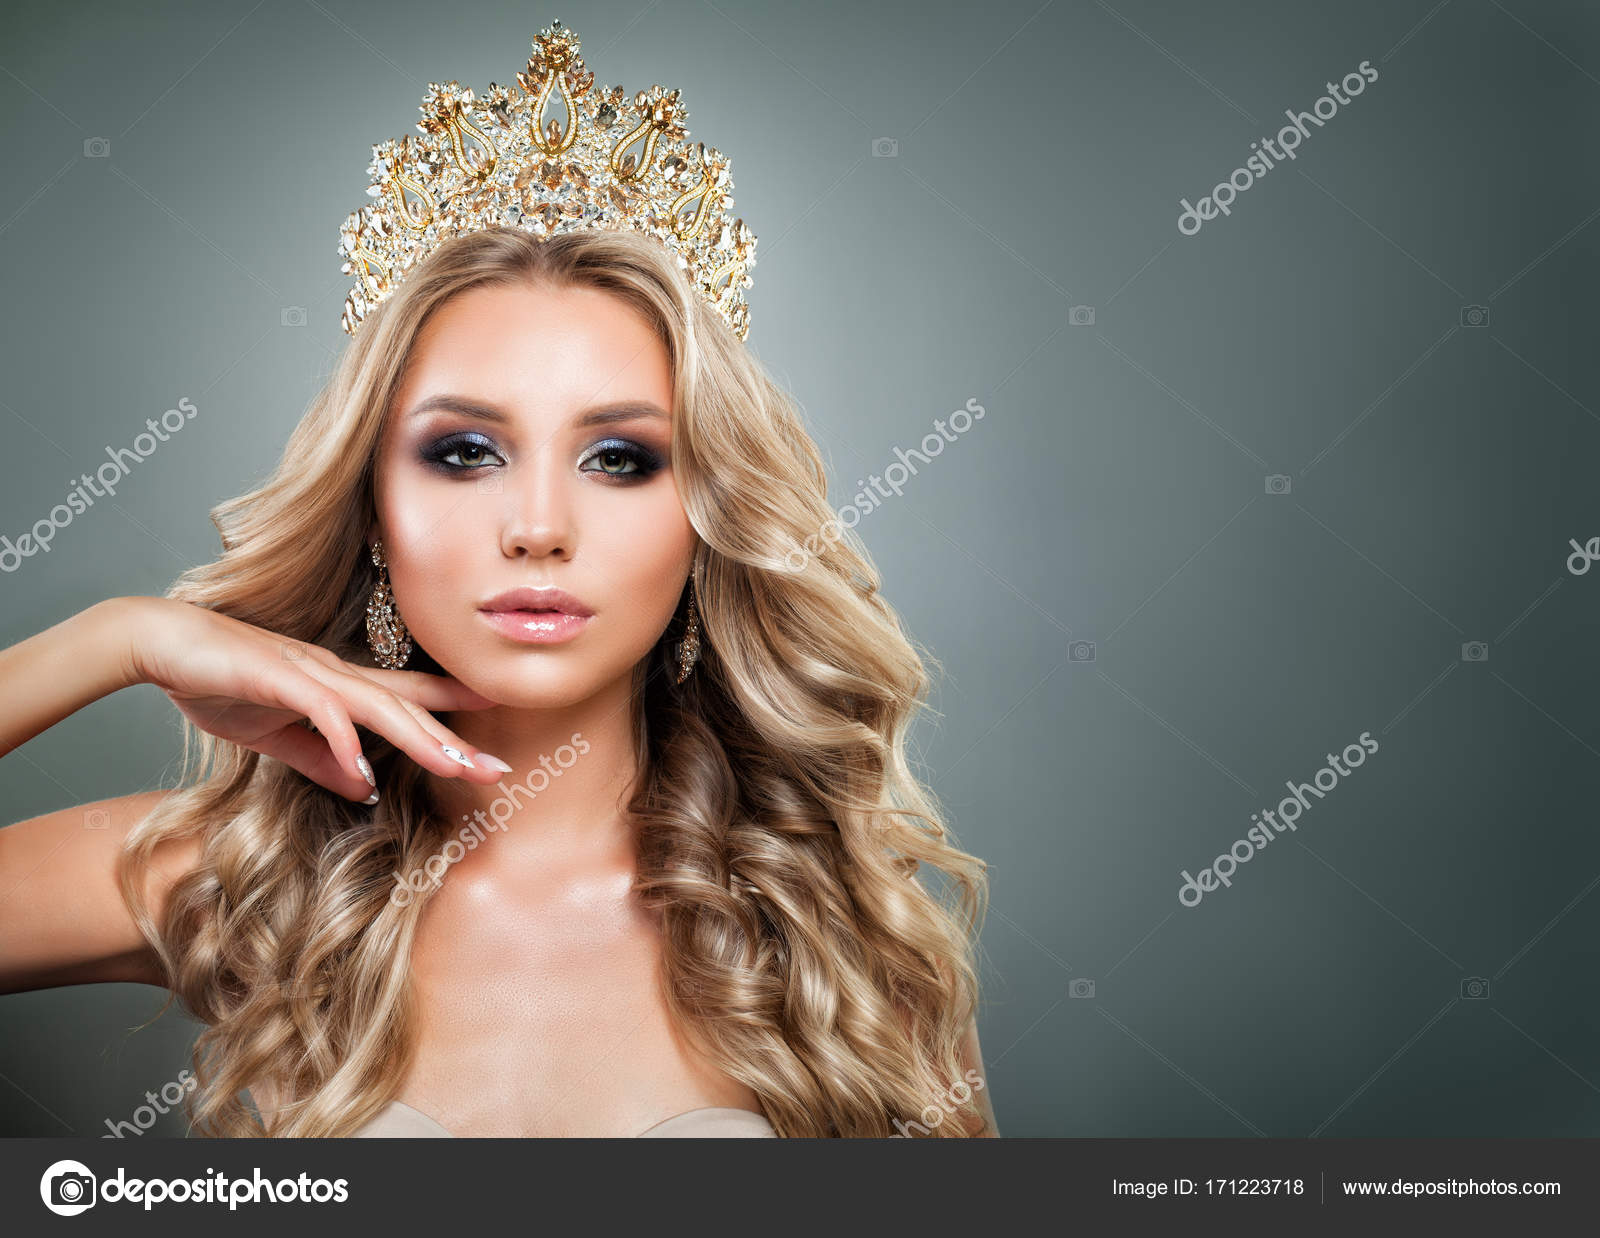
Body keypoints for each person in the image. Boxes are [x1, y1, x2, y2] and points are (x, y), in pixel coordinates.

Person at [0, 20, 995, 1139]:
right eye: (464, 452)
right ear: (373, 507)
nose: (535, 525)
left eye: (620, 458)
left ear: (704, 522)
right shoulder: (237, 877)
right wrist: (114, 640)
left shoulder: (841, 935)